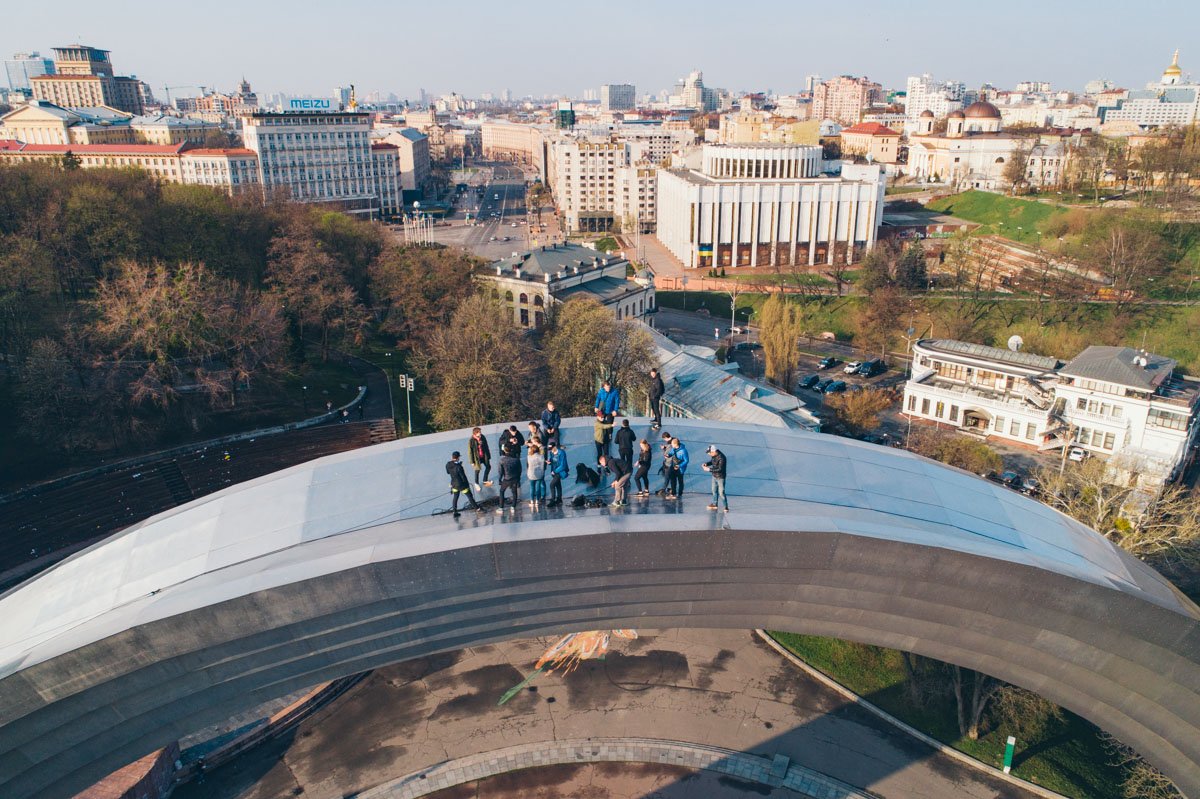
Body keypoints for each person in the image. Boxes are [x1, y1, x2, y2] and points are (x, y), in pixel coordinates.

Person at [445, 451, 481, 517]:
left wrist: (458, 465)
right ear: (458, 458)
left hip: (454, 484)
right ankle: (477, 508)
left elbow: (448, 472)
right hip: (461, 485)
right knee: (469, 496)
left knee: (455, 497)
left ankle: (454, 512)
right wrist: (467, 485)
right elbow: (463, 477)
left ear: (452, 457)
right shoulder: (459, 467)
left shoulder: (448, 464)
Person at [702, 445, 728, 511]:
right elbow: (712, 461)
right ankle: (714, 504)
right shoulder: (714, 455)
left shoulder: (722, 458)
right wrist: (707, 464)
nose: (709, 454)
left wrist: (709, 469)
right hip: (714, 476)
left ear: (714, 451)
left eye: (709, 453)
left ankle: (726, 506)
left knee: (721, 492)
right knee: (714, 490)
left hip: (720, 477)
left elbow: (720, 469)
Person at [497, 449, 522, 513]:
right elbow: (520, 469)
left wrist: (499, 479)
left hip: (507, 479)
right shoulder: (516, 459)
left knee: (502, 491)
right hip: (515, 478)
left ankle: (501, 507)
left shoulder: (502, 460)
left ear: (505, 450)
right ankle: (513, 506)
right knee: (514, 491)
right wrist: (518, 477)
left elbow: (500, 471)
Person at [547, 440, 569, 506]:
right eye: (549, 449)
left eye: (551, 449)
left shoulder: (561, 453)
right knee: (557, 485)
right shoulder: (551, 453)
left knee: (552, 485)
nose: (550, 450)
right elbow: (552, 460)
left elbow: (563, 465)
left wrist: (555, 471)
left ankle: (552, 500)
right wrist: (549, 462)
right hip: (554, 471)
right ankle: (559, 499)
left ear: (555, 447)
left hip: (559, 471)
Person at [527, 443, 546, 509]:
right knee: (538, 487)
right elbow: (542, 466)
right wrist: (542, 472)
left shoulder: (529, 457)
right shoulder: (541, 456)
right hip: (539, 473)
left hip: (531, 473)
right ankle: (537, 501)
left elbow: (528, 465)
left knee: (532, 487)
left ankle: (532, 501)